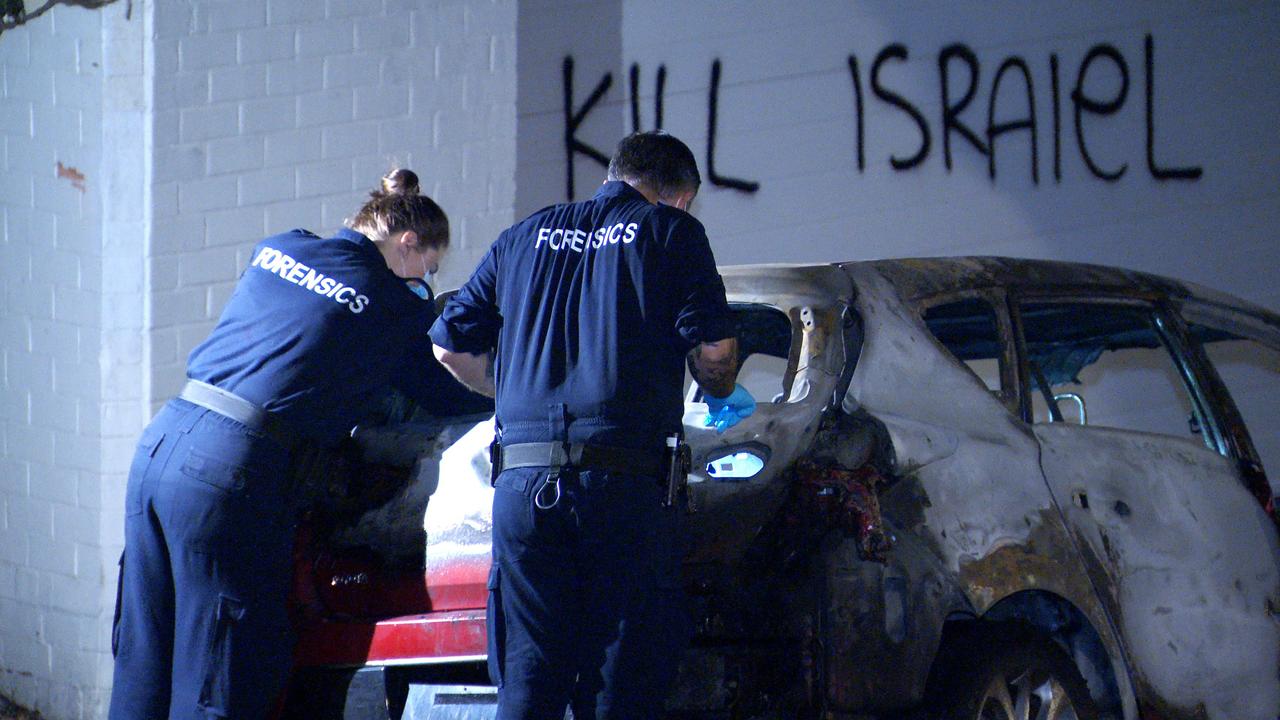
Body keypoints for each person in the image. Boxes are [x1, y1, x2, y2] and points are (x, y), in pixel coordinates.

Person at [109, 169, 477, 719]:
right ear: (407, 245)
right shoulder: (393, 307)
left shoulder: (281, 247)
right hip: (231, 471)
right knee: (219, 667)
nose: (423, 280)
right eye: (427, 268)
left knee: (145, 651)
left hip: (163, 443)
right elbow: (449, 392)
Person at [430, 131, 757, 719]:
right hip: (622, 490)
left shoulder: (523, 235)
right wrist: (723, 387)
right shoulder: (671, 232)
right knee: (619, 683)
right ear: (678, 197)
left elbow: (448, 349)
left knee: (527, 680)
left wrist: (511, 397)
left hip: (522, 490)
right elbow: (713, 350)